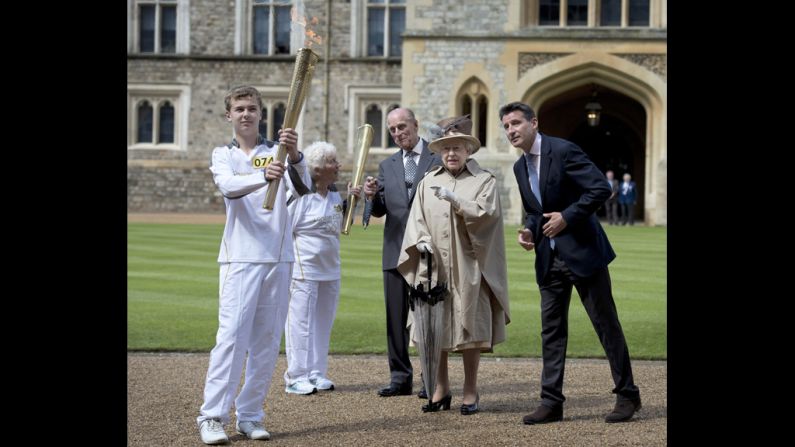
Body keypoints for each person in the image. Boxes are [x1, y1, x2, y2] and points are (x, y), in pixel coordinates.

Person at [499, 102, 641, 425]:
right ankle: (551, 402)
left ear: (534, 123)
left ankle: (628, 395)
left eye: (516, 123)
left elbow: (600, 188)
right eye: (506, 126)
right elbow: (535, 212)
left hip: (584, 253)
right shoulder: (519, 168)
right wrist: (529, 232)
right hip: (548, 259)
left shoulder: (563, 151)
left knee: (606, 326)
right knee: (551, 332)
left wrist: (567, 217)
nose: (511, 131)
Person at [196, 85, 310, 444]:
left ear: (262, 114)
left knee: (265, 342)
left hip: (279, 256)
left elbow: (304, 189)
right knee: (231, 338)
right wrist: (265, 176)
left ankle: (250, 415)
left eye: (252, 109)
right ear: (229, 115)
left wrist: (294, 156)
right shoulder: (222, 155)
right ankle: (212, 416)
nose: (246, 114)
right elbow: (229, 187)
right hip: (240, 257)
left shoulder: (274, 152)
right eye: (239, 109)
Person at [397, 115, 510, 415]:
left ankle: (470, 391)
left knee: (470, 330)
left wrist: (457, 201)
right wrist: (419, 240)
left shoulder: (483, 181)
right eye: (446, 148)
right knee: (436, 328)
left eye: (457, 147)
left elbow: (488, 216)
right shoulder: (427, 182)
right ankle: (440, 388)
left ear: (468, 150)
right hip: (433, 268)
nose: (451, 153)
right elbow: (417, 220)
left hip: (469, 267)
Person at [363, 108, 442, 398]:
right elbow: (382, 209)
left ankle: (430, 378)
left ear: (415, 125)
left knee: (427, 317)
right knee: (395, 318)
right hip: (395, 248)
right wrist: (372, 196)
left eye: (402, 127)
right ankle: (400, 378)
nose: (398, 133)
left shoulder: (437, 158)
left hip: (427, 249)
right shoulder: (387, 165)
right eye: (393, 129)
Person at [283, 141, 362, 395]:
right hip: (304, 269)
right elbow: (286, 231)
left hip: (331, 269)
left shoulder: (336, 194)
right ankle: (296, 375)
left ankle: (316, 372)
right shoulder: (301, 195)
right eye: (332, 162)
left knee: (322, 323)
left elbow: (338, 226)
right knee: (300, 322)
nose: (337, 165)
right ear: (317, 169)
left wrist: (353, 200)